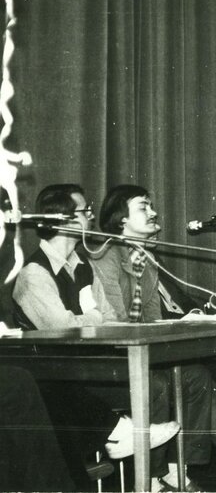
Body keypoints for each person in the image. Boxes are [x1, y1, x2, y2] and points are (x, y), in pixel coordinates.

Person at [90, 184, 216, 489]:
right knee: (156, 383)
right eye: (143, 207)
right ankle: (151, 479)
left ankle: (176, 467)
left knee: (195, 376)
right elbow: (114, 320)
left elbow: (153, 317)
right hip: (113, 357)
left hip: (144, 349)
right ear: (121, 220)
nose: (154, 212)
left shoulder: (146, 257)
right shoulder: (106, 256)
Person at [11, 184, 182, 489]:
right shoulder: (34, 273)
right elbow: (61, 329)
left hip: (87, 368)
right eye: (84, 212)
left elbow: (112, 318)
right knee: (153, 385)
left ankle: (139, 459)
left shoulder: (82, 267)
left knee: (157, 382)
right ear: (62, 220)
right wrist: (93, 317)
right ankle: (135, 458)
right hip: (57, 379)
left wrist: (94, 318)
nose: (90, 218)